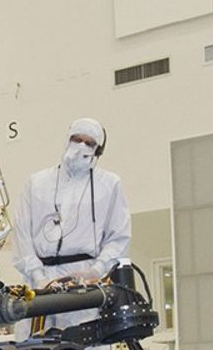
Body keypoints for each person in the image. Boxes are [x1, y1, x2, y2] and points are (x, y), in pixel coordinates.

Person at [11, 118, 132, 335]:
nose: (81, 147)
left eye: (89, 143)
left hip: (84, 283)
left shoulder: (109, 184)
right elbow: (22, 233)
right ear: (68, 140)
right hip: (39, 281)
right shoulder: (37, 183)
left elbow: (118, 236)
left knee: (84, 348)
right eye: (77, 139)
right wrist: (38, 276)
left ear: (98, 150)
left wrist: (97, 270)